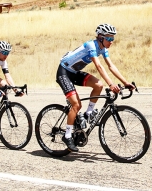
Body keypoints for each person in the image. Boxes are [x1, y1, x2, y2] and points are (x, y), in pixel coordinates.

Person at [57, 23, 134, 152]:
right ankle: (67, 135)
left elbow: (111, 66)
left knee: (99, 85)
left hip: (74, 72)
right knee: (76, 105)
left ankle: (88, 114)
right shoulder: (91, 45)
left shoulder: (103, 49)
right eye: (109, 38)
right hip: (64, 72)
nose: (111, 41)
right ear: (100, 37)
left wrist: (125, 82)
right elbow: (99, 66)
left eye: (113, 38)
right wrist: (111, 84)